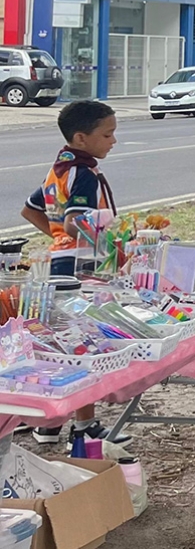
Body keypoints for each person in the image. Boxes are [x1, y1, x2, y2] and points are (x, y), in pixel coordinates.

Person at [21, 102, 126, 446]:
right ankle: (84, 425)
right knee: (85, 344)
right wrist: (111, 247)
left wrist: (58, 241)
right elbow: (74, 221)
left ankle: (51, 422)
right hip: (85, 270)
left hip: (61, 266)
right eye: (107, 134)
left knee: (63, 345)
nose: (113, 140)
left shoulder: (59, 169)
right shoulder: (82, 172)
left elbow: (31, 209)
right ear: (81, 138)